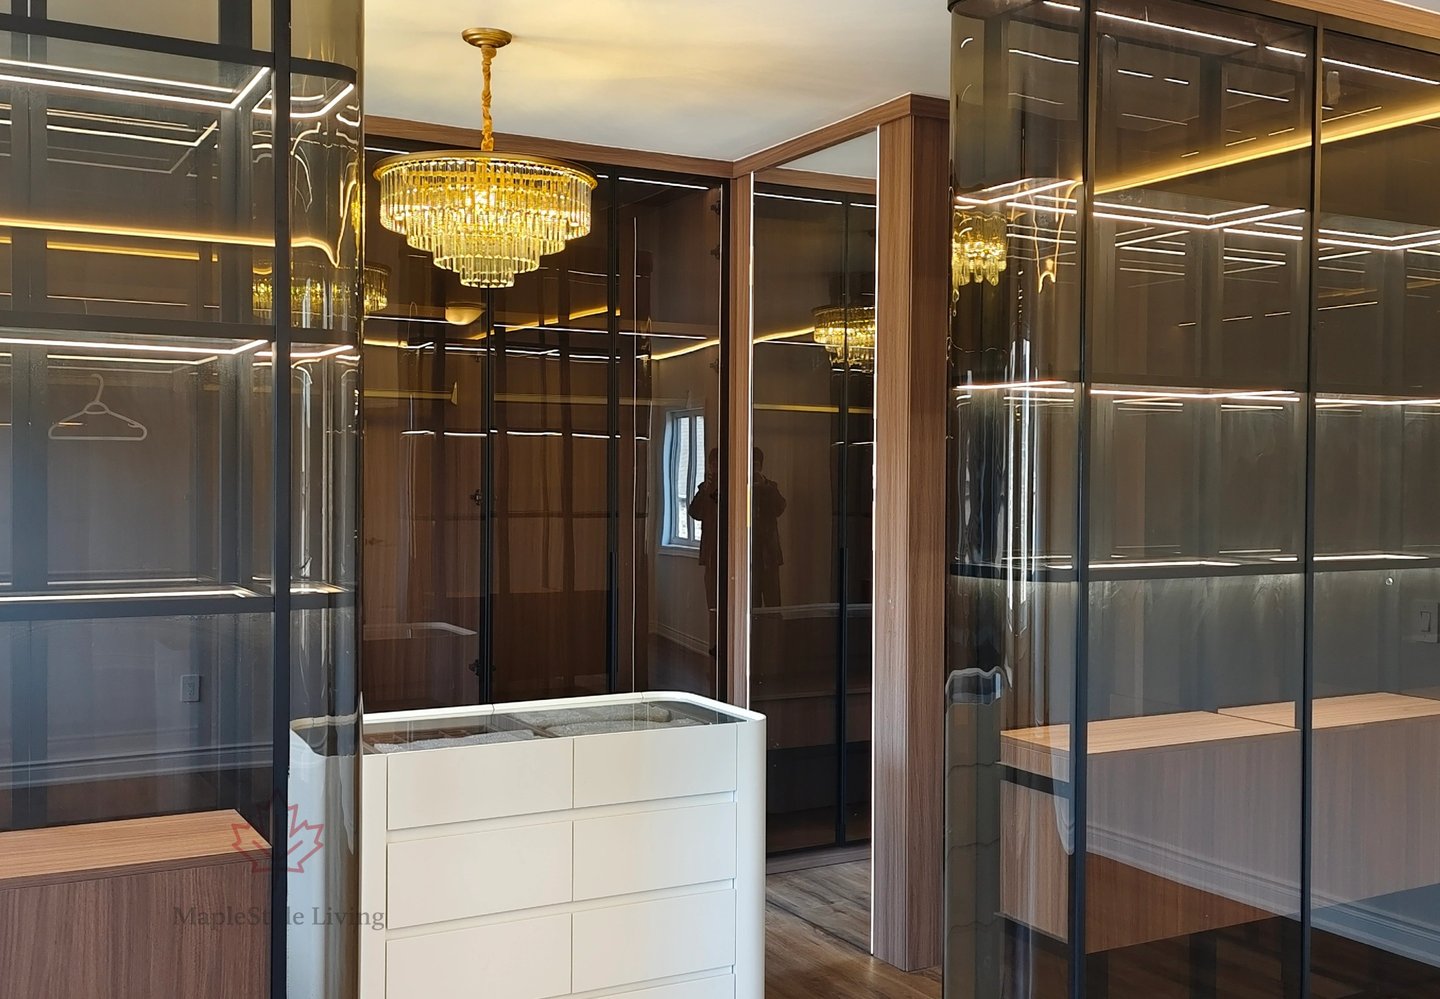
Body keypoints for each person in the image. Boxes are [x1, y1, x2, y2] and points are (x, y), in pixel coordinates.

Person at [688, 447, 721, 615]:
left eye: (717, 464)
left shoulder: (732, 487)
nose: (714, 468)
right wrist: (705, 491)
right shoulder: (706, 489)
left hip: (727, 549)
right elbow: (694, 512)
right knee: (712, 602)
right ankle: (714, 639)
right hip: (711, 552)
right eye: (712, 465)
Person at [752, 447, 786, 608]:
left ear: (761, 466)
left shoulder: (770, 487)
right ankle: (754, 634)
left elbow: (780, 507)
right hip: (748, 557)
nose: (753, 468)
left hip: (768, 556)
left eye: (756, 464)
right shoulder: (737, 489)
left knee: (773, 604)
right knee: (752, 606)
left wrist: (764, 486)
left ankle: (774, 633)